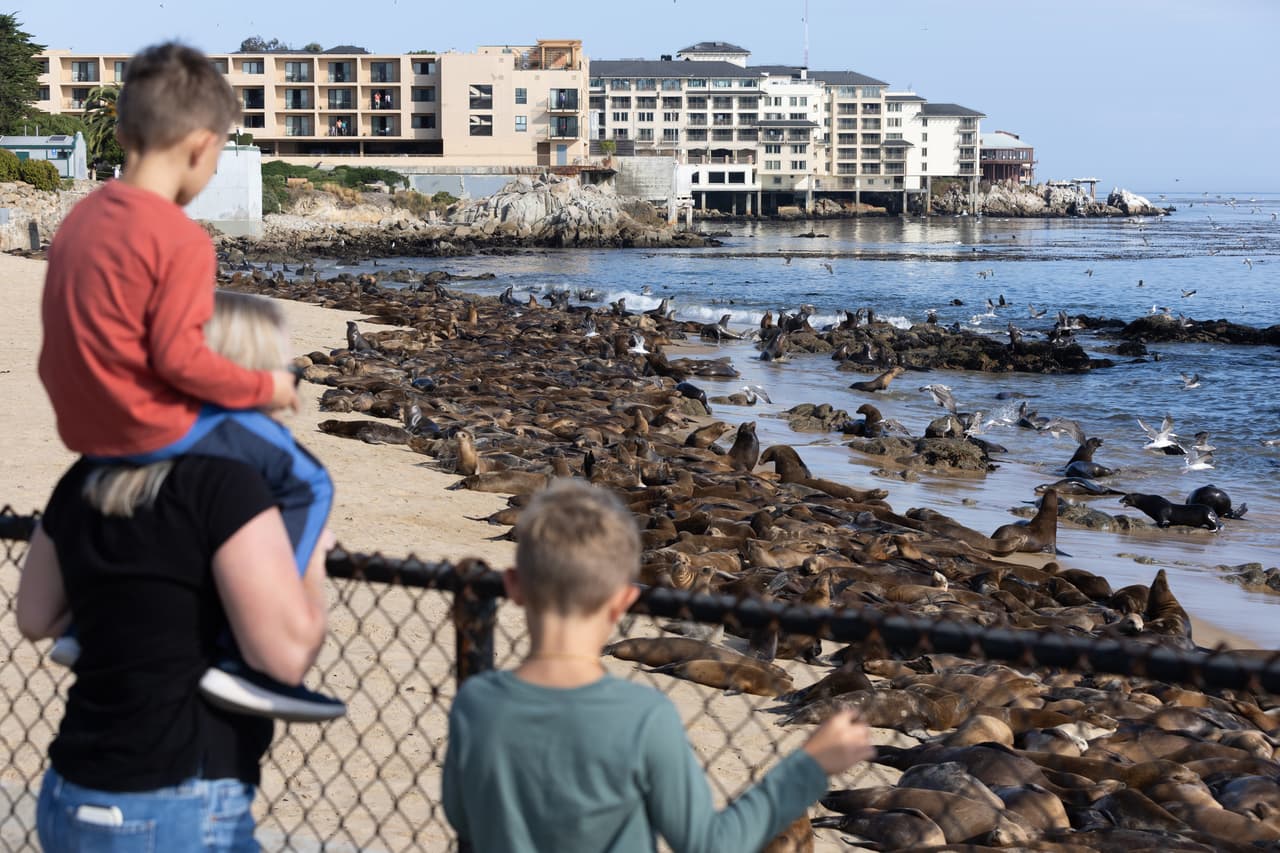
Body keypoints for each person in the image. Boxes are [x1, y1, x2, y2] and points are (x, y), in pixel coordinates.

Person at [37, 42, 338, 721]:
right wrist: (269, 388)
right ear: (204, 148)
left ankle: (89, 625)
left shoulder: (79, 220)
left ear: (120, 133)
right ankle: (245, 652)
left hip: (87, 426)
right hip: (147, 423)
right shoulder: (178, 238)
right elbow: (179, 361)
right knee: (308, 480)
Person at [17, 291, 333, 852]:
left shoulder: (90, 472)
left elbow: (35, 616)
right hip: (179, 799)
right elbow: (284, 657)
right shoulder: (229, 489)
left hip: (71, 788)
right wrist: (311, 563)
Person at [442, 480, 875, 852]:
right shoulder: (643, 718)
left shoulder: (476, 702)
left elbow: (462, 815)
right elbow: (708, 843)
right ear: (624, 599)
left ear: (515, 587)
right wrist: (809, 766)